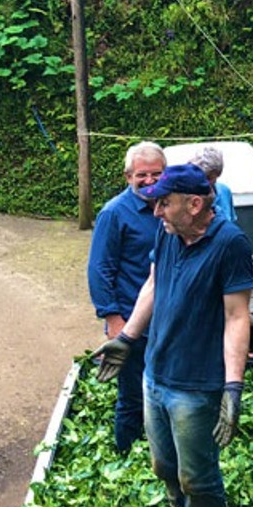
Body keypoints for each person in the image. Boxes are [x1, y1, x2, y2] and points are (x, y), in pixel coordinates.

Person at [93, 163, 253, 507]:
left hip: (195, 387)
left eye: (164, 202)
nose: (156, 211)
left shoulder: (230, 244)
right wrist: (127, 339)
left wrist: (233, 387)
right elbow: (153, 284)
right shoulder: (167, 232)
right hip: (156, 375)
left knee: (196, 477)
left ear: (194, 204)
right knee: (163, 465)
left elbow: (237, 317)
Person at [86, 141, 165, 452]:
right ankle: (125, 456)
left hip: (166, 319)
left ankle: (156, 447)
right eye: (142, 175)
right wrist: (114, 320)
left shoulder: (169, 207)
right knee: (131, 394)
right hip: (132, 321)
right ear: (128, 176)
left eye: (156, 174)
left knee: (158, 389)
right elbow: (99, 269)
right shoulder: (115, 213)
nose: (149, 181)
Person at [192, 145, 237, 222]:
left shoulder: (225, 191)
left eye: (209, 177)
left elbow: (232, 223)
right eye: (201, 175)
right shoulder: (188, 196)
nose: (204, 182)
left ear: (218, 174)